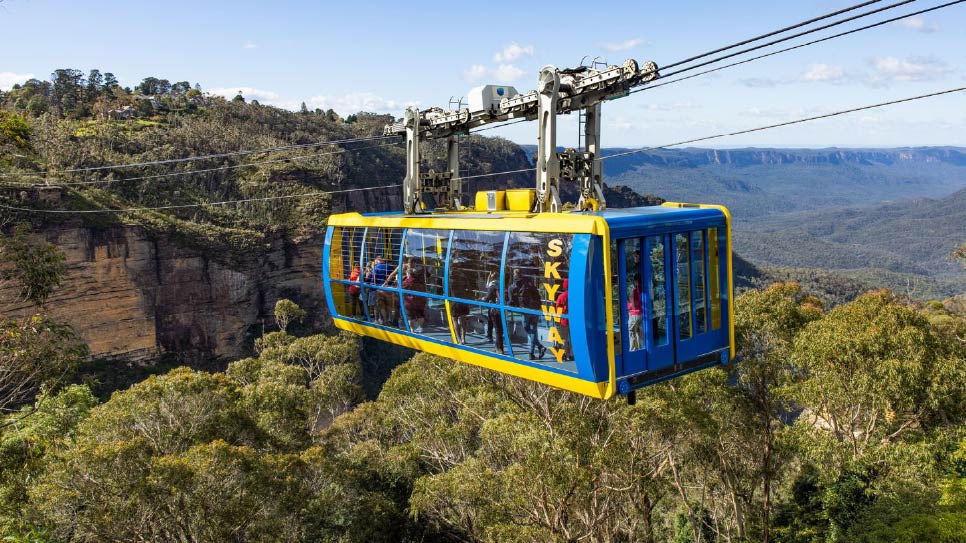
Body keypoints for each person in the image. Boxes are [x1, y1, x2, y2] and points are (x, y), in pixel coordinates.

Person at [510, 268, 546, 360]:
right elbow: (537, 295)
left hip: (526, 310)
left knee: (527, 328)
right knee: (533, 330)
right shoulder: (528, 283)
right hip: (535, 309)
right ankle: (534, 350)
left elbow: (511, 301)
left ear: (514, 275)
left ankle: (536, 349)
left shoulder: (513, 286)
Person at [483, 270, 504, 354]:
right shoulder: (500, 284)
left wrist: (484, 299)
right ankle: (498, 346)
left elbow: (487, 297)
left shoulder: (492, 286)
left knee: (498, 330)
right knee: (499, 329)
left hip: (494, 310)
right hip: (500, 309)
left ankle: (499, 348)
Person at [402, 267, 427, 332]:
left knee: (410, 316)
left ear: (408, 274)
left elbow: (399, 287)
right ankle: (420, 327)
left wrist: (401, 279)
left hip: (410, 301)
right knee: (420, 315)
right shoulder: (420, 280)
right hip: (421, 301)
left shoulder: (407, 281)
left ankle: (412, 330)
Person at [555, 278, 572, 361]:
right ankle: (571, 354)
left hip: (564, 320)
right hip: (573, 321)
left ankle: (565, 354)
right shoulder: (575, 296)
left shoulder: (561, 296)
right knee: (572, 338)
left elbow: (557, 308)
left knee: (564, 338)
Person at [628, 273, 644, 350]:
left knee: (632, 332)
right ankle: (641, 349)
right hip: (642, 314)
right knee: (639, 333)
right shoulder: (644, 290)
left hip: (634, 314)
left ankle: (632, 350)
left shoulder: (634, 291)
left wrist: (628, 307)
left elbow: (632, 304)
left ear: (636, 281)